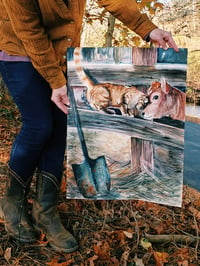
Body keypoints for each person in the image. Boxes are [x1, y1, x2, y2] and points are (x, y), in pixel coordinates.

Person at [0, 0, 179, 253]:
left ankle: (45, 211)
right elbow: (29, 29)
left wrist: (148, 29)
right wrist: (55, 81)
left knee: (60, 127)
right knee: (39, 126)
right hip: (20, 53)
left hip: (62, 50)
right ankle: (12, 202)